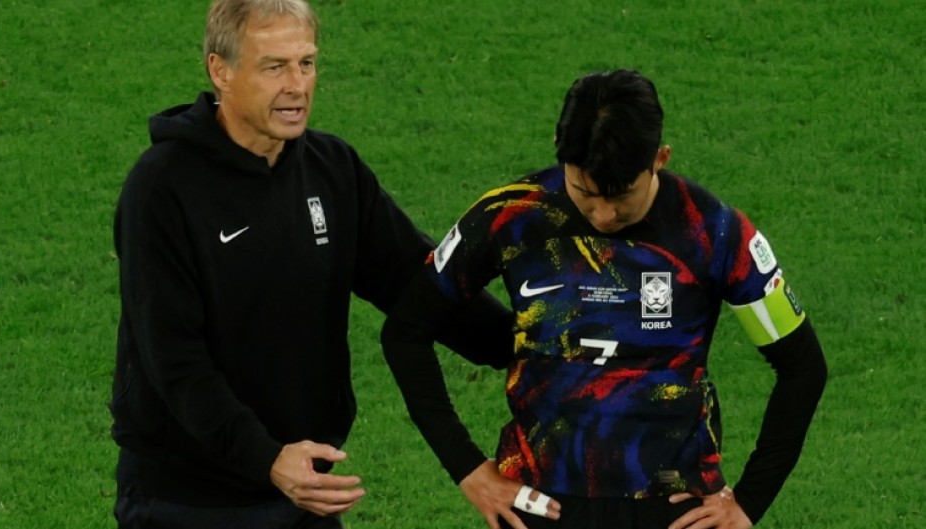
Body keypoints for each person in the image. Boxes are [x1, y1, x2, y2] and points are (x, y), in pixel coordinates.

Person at [110, 1, 515, 527]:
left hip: (303, 487)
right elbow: (173, 358)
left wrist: (533, 346)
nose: (297, 86)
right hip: (187, 501)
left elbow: (416, 283)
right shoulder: (162, 188)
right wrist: (266, 457)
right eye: (274, 67)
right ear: (220, 71)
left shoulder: (332, 170)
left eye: (306, 63)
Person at [381, 69, 827, 529]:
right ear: (560, 150)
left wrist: (748, 502)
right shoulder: (512, 216)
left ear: (659, 159)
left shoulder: (713, 232)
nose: (603, 215)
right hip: (539, 508)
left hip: (671, 511)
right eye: (585, 192)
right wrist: (468, 469)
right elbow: (406, 331)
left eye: (621, 195)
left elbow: (802, 366)